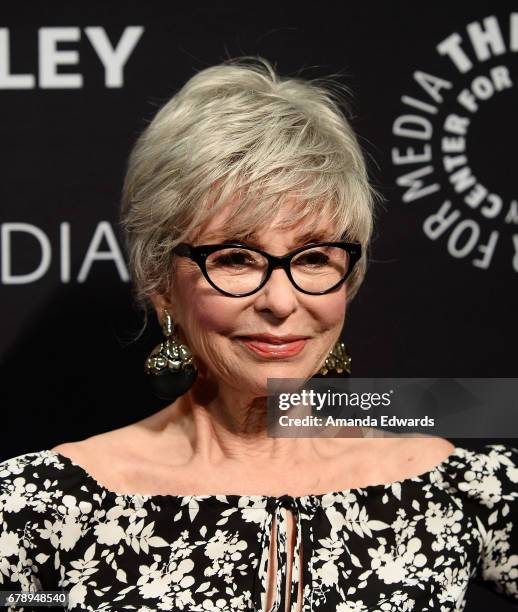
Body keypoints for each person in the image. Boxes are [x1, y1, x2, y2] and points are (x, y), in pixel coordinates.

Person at [1, 57, 518, 612]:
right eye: (236, 258)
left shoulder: (454, 488)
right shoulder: (40, 508)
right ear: (161, 284)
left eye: (315, 256)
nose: (280, 301)